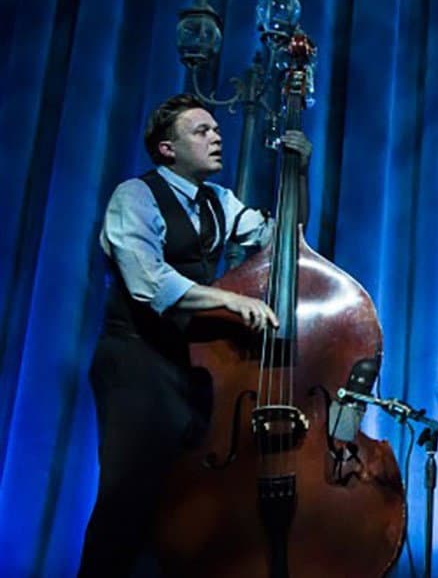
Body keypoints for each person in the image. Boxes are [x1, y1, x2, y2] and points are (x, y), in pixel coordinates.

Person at [79, 93, 309, 577]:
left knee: (187, 504)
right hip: (135, 361)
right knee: (128, 497)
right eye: (200, 131)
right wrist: (229, 299)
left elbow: (283, 238)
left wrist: (297, 173)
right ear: (167, 149)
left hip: (193, 368)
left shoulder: (219, 201)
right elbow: (148, 283)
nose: (216, 136)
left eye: (215, 129)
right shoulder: (134, 196)